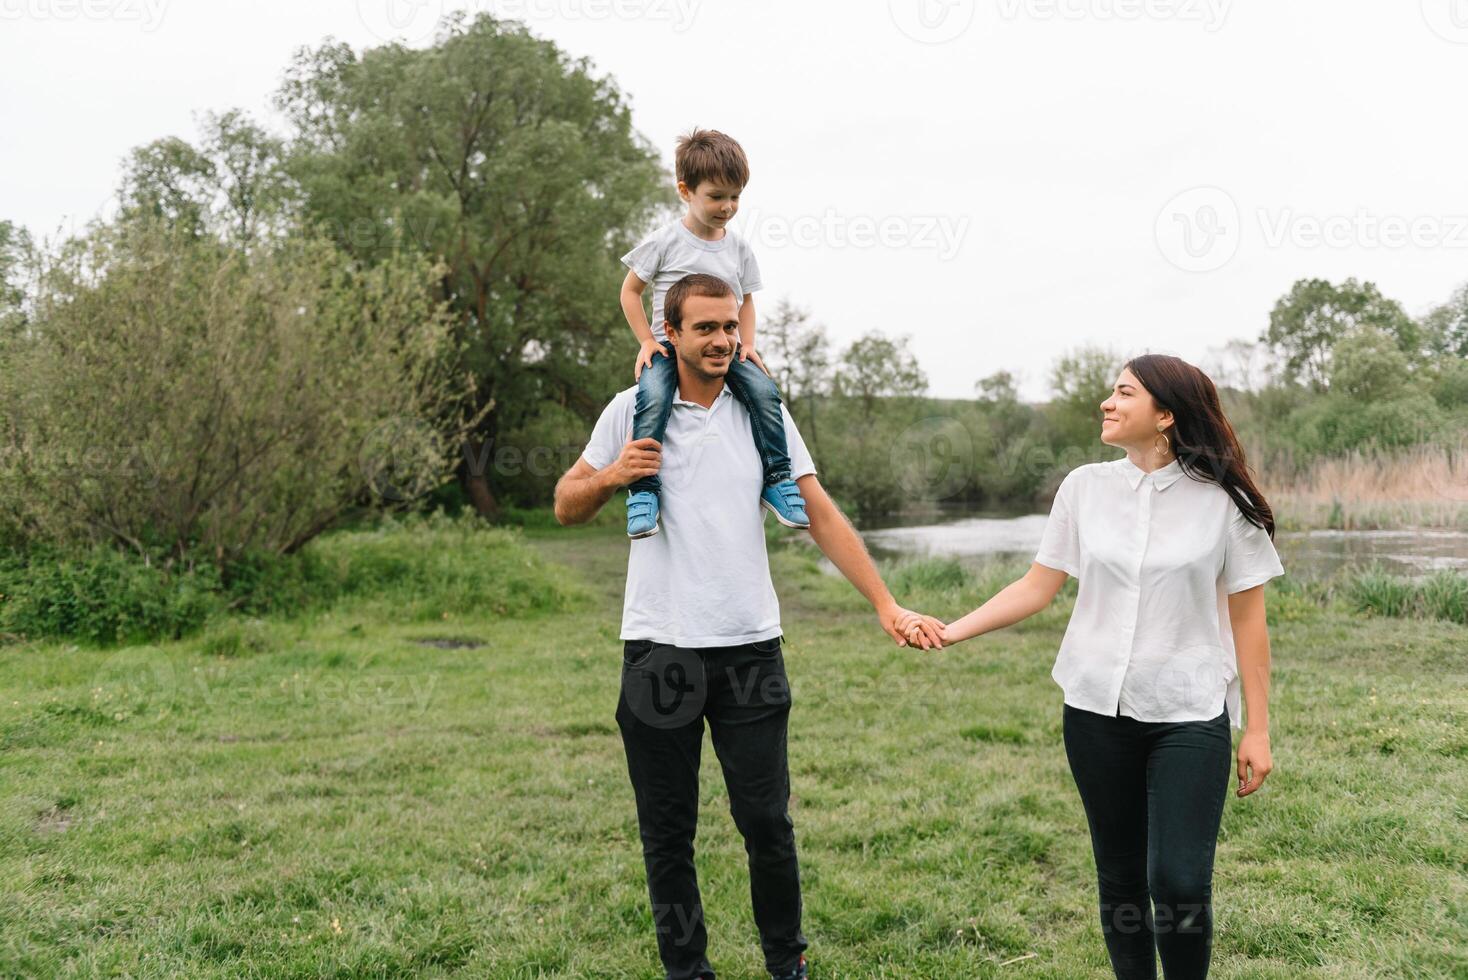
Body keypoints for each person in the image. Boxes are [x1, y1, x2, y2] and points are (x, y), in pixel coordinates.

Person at [554, 272, 945, 980]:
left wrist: (885, 603)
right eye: (706, 328)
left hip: (750, 652)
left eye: (731, 327)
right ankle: (688, 970)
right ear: (668, 334)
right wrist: (612, 476)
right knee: (668, 833)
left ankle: (785, 962)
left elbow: (819, 513)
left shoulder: (764, 414)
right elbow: (564, 504)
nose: (724, 340)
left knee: (768, 823)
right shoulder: (629, 410)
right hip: (660, 654)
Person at [931, 354, 1283, 980]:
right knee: (1119, 877)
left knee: (1177, 882)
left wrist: (1256, 729)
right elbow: (1038, 586)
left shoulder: (1222, 503)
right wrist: (951, 631)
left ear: (1166, 415)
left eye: (1124, 393)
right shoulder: (1083, 488)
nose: (1107, 403)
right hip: (1095, 711)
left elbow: (1249, 620)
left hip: (1189, 713)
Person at [618, 128, 809, 539]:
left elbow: (746, 302)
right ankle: (644, 492)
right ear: (686, 191)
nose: (727, 207)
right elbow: (630, 291)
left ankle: (777, 479)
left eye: (735, 197)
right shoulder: (666, 242)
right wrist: (647, 342)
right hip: (672, 350)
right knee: (651, 400)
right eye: (716, 196)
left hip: (726, 349)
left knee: (763, 392)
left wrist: (749, 345)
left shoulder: (738, 249)